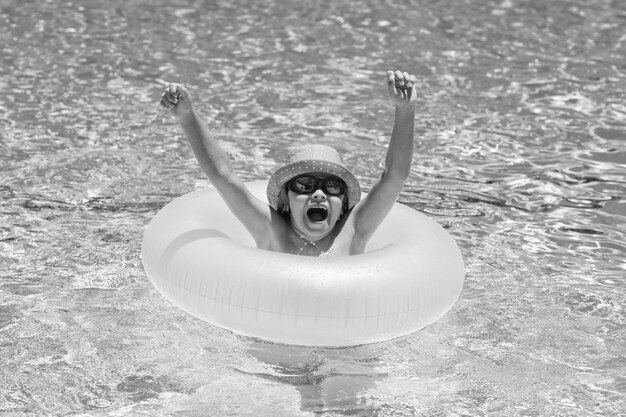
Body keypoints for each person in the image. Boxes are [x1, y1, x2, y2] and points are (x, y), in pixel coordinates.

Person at [159, 70, 416, 256]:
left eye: (332, 187)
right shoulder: (271, 229)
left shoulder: (354, 228)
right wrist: (187, 116)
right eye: (305, 184)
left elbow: (394, 176)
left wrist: (405, 109)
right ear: (286, 198)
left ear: (344, 202)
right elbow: (224, 177)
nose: (318, 193)